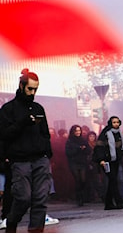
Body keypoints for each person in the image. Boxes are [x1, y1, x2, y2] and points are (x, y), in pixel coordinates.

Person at [0, 68, 53, 232]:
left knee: (40, 199)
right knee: (23, 197)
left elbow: (45, 133)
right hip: (19, 160)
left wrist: (47, 152)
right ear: (21, 86)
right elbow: (3, 135)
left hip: (40, 159)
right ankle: (11, 221)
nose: (32, 92)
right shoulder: (8, 109)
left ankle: (35, 230)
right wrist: (22, 122)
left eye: (35, 89)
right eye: (30, 89)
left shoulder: (39, 108)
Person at [92, 116, 123, 210]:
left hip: (116, 161)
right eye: (114, 122)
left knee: (112, 181)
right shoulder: (105, 134)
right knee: (113, 180)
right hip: (106, 161)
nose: (116, 124)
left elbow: (122, 147)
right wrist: (101, 160)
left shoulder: (120, 133)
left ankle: (108, 203)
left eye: (117, 122)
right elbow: (99, 148)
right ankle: (119, 202)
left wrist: (122, 155)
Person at [65, 125, 91, 207]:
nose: (78, 132)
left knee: (83, 180)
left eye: (79, 131)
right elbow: (68, 153)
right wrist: (78, 149)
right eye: (76, 131)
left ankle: (82, 196)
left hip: (82, 162)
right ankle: (79, 198)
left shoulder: (83, 140)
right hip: (74, 163)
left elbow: (89, 150)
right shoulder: (70, 141)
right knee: (77, 179)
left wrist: (84, 149)